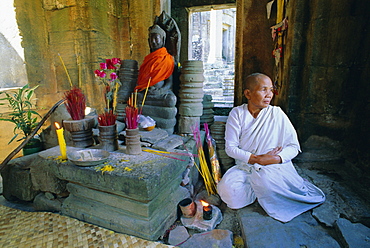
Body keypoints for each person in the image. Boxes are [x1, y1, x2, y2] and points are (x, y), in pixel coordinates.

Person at [217, 73, 325, 222]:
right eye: (263, 90)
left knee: (266, 182)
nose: (269, 95)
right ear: (248, 93)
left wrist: (275, 158)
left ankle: (265, 190)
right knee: (227, 192)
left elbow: (294, 146)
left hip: (273, 167)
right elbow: (231, 148)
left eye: (271, 90)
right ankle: (262, 192)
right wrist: (257, 159)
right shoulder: (237, 114)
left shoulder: (277, 114)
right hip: (246, 166)